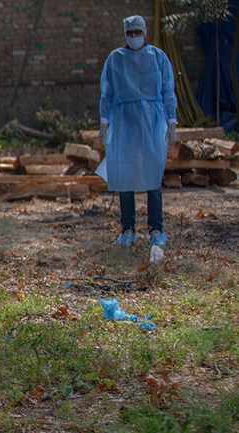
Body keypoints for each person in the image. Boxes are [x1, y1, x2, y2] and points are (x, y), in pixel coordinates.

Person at [98, 15, 177, 264]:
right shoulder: (115, 59)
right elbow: (107, 92)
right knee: (125, 175)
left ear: (144, 32)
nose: (133, 37)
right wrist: (104, 123)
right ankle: (128, 228)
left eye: (137, 32)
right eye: (129, 33)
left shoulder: (158, 58)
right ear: (125, 34)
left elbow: (167, 90)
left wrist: (172, 121)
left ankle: (156, 228)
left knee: (153, 174)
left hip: (152, 121)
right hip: (124, 122)